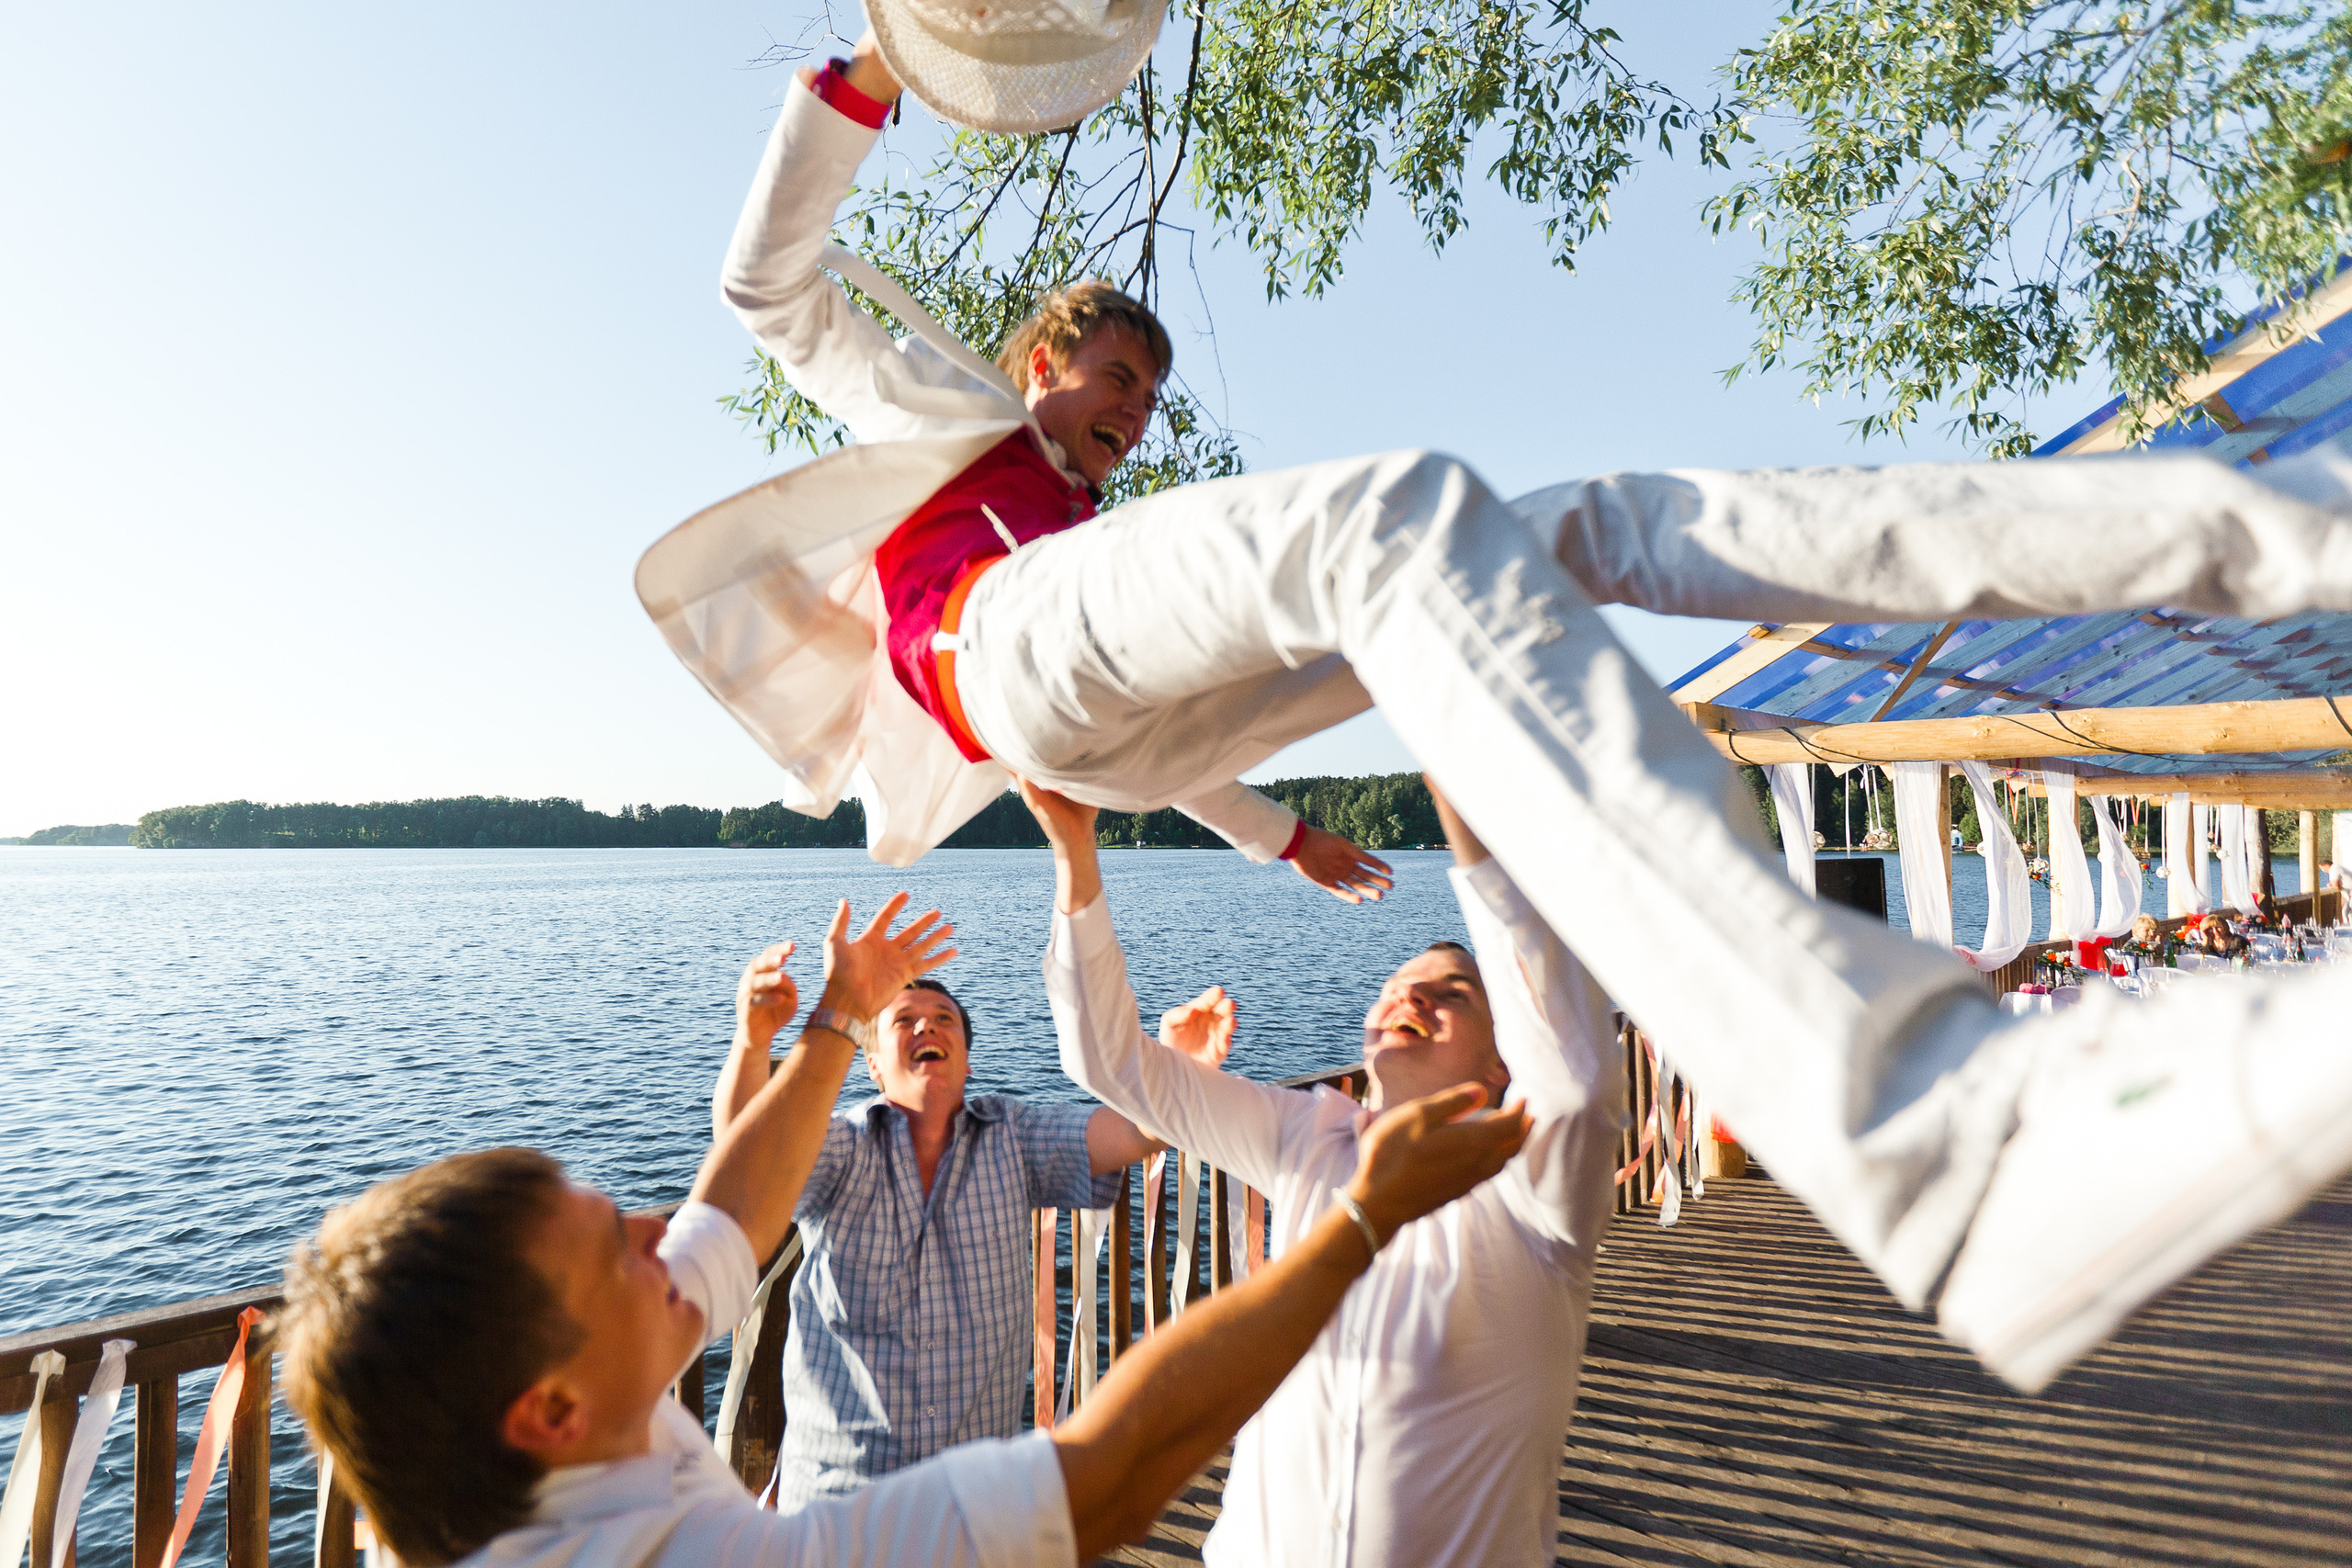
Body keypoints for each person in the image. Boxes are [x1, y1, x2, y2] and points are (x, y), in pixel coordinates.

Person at [649, 28, 2352, 1393]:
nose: (1132, 416)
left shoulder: (1110, 535)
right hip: (997, 653)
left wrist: (1278, 823)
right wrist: (880, 66)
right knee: (1388, 511)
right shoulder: (957, 419)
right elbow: (763, 286)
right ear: (1044, 361)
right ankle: (1921, 1126)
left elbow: (1169, 716)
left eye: (1151, 399)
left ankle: (2299, 529)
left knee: (1560, 524)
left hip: (1123, 716)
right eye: (1114, 381)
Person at [274, 893, 1535, 1568]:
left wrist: (833, 1009)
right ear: (548, 1410)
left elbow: (728, 1205)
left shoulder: (551, 1422)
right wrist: (1363, 1214)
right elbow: (1116, 1467)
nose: (659, 1225)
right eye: (615, 1248)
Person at [1020, 774, 1617, 1568]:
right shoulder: (1307, 1135)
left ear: (1502, 1060)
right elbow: (1110, 1062)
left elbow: (1574, 1072)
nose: (1414, 993)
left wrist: (1454, 774)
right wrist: (1074, 851)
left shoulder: (1531, 1184)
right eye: (1400, 984)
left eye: (1454, 993)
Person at [709, 967, 1225, 1506]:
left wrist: (1175, 1071)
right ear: (874, 1065)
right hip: (839, 1499)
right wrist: (752, 1040)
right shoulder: (842, 1148)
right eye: (903, 1021)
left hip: (975, 1503)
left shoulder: (1013, 1137)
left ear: (968, 1059)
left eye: (943, 1020)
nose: (925, 1028)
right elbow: (746, 1152)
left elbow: (1133, 1133)